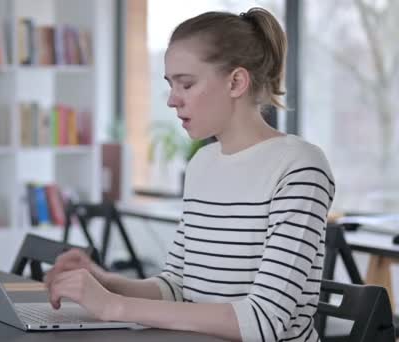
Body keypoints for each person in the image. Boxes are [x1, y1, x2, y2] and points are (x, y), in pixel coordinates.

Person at [45, 7, 334, 342]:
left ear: (236, 82)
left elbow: (264, 321)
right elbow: (178, 286)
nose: (171, 100)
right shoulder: (202, 165)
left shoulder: (299, 166)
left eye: (186, 83)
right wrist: (106, 282)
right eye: (170, 84)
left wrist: (115, 306)